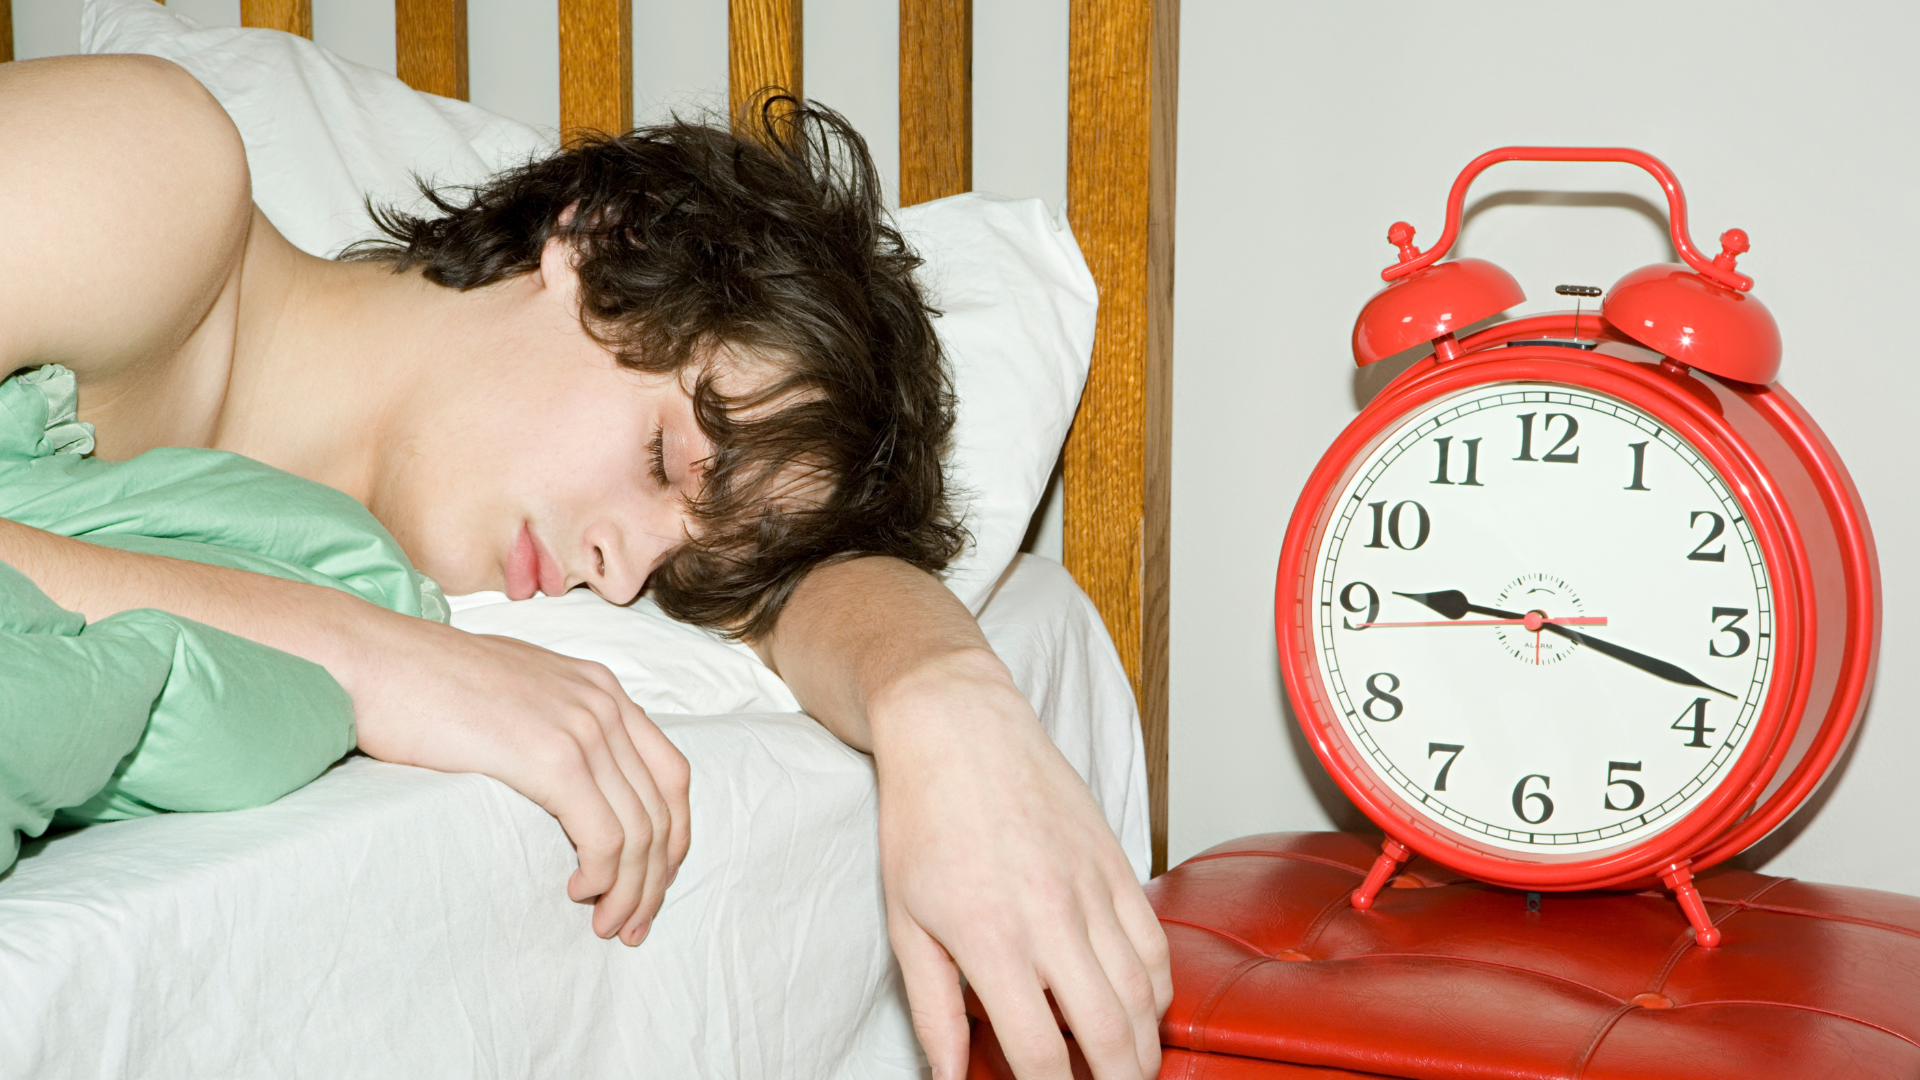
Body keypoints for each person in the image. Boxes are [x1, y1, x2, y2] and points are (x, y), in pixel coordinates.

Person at [0, 53, 1170, 1080]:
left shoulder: (373, 546)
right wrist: (372, 662)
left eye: (672, 572)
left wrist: (947, 704)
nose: (615, 574)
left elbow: (813, 604)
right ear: (592, 246)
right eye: (664, 459)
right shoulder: (154, 179)